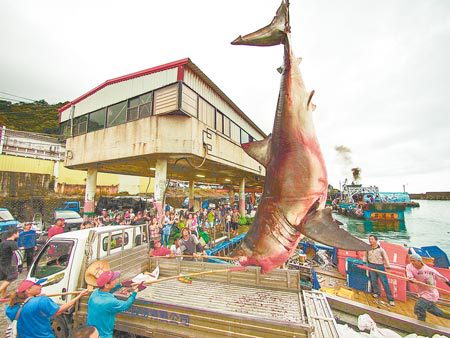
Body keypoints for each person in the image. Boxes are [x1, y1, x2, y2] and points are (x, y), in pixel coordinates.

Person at [5, 277, 88, 338]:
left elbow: (27, 308)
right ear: (28, 290)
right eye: (38, 284)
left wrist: (34, 297)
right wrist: (79, 296)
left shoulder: (10, 308)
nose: (41, 286)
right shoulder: (41, 301)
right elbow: (59, 311)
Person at [87, 270, 138, 338]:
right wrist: (134, 293)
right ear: (106, 285)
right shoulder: (110, 301)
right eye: (114, 279)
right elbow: (126, 305)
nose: (116, 280)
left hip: (91, 333)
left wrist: (121, 285)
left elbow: (108, 290)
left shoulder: (95, 292)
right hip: (103, 335)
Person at [407, 253, 450, 321]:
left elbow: (444, 279)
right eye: (411, 261)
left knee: (419, 308)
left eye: (414, 261)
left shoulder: (430, 271)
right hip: (421, 292)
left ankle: (421, 325)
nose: (412, 262)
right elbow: (410, 277)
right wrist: (411, 280)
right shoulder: (409, 267)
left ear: (419, 261)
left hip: (430, 294)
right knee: (436, 312)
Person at [363, 234, 395, 306]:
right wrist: (364, 262)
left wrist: (388, 265)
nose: (370, 241)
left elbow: (385, 258)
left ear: (376, 240)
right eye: (369, 239)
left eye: (372, 239)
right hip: (371, 265)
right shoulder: (368, 248)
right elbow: (365, 256)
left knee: (384, 282)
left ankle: (390, 299)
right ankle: (376, 293)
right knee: (374, 281)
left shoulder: (381, 250)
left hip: (380, 266)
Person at [0, 228, 20, 298]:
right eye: (18, 233)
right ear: (14, 234)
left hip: (2, 263)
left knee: (6, 278)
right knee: (12, 277)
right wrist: (18, 265)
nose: (18, 234)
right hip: (9, 263)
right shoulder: (13, 243)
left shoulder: (2, 243)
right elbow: (17, 255)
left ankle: (3, 296)